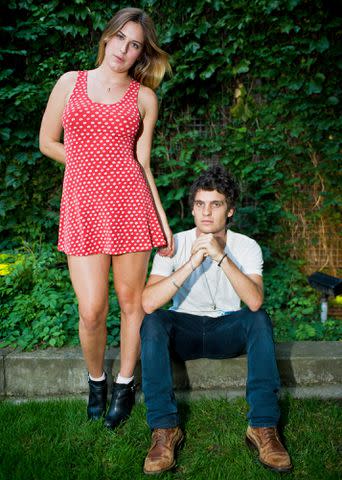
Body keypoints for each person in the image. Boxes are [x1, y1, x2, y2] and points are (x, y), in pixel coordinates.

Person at [39, 7, 173, 428]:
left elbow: (143, 163)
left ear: (140, 54)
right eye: (120, 38)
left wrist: (164, 221)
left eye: (135, 45)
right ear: (107, 37)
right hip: (82, 206)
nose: (125, 49)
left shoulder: (144, 98)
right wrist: (83, 163)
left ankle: (124, 384)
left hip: (131, 204)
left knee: (132, 304)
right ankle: (96, 380)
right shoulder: (69, 82)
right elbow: (47, 141)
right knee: (93, 308)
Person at [140, 165, 292, 474]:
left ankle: (263, 427)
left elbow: (253, 300)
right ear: (192, 208)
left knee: (258, 318)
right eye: (200, 204)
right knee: (153, 321)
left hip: (227, 327)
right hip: (186, 329)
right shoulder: (175, 244)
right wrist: (192, 262)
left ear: (230, 209)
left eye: (216, 204)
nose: (206, 212)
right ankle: (164, 429)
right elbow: (147, 302)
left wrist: (220, 256)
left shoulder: (246, 246)